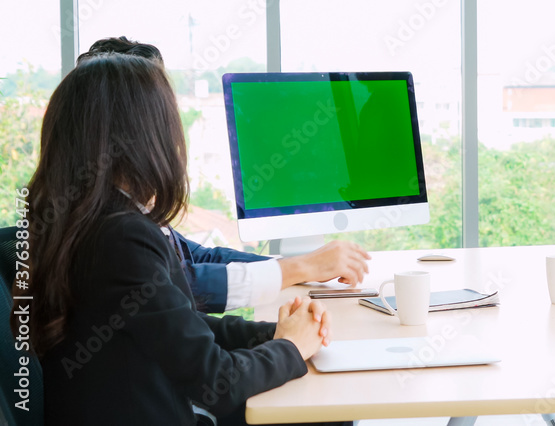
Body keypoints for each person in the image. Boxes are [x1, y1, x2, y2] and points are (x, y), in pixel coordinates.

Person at [29, 54, 335, 424]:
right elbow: (215, 382)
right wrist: (290, 347)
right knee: (322, 412)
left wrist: (276, 333)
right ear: (144, 137)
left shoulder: (84, 223)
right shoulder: (120, 238)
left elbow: (184, 328)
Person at [78, 36, 371, 314]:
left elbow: (201, 259)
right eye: (161, 110)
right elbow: (183, 285)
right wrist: (303, 268)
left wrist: (304, 265)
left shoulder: (127, 206)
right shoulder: (108, 226)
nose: (171, 126)